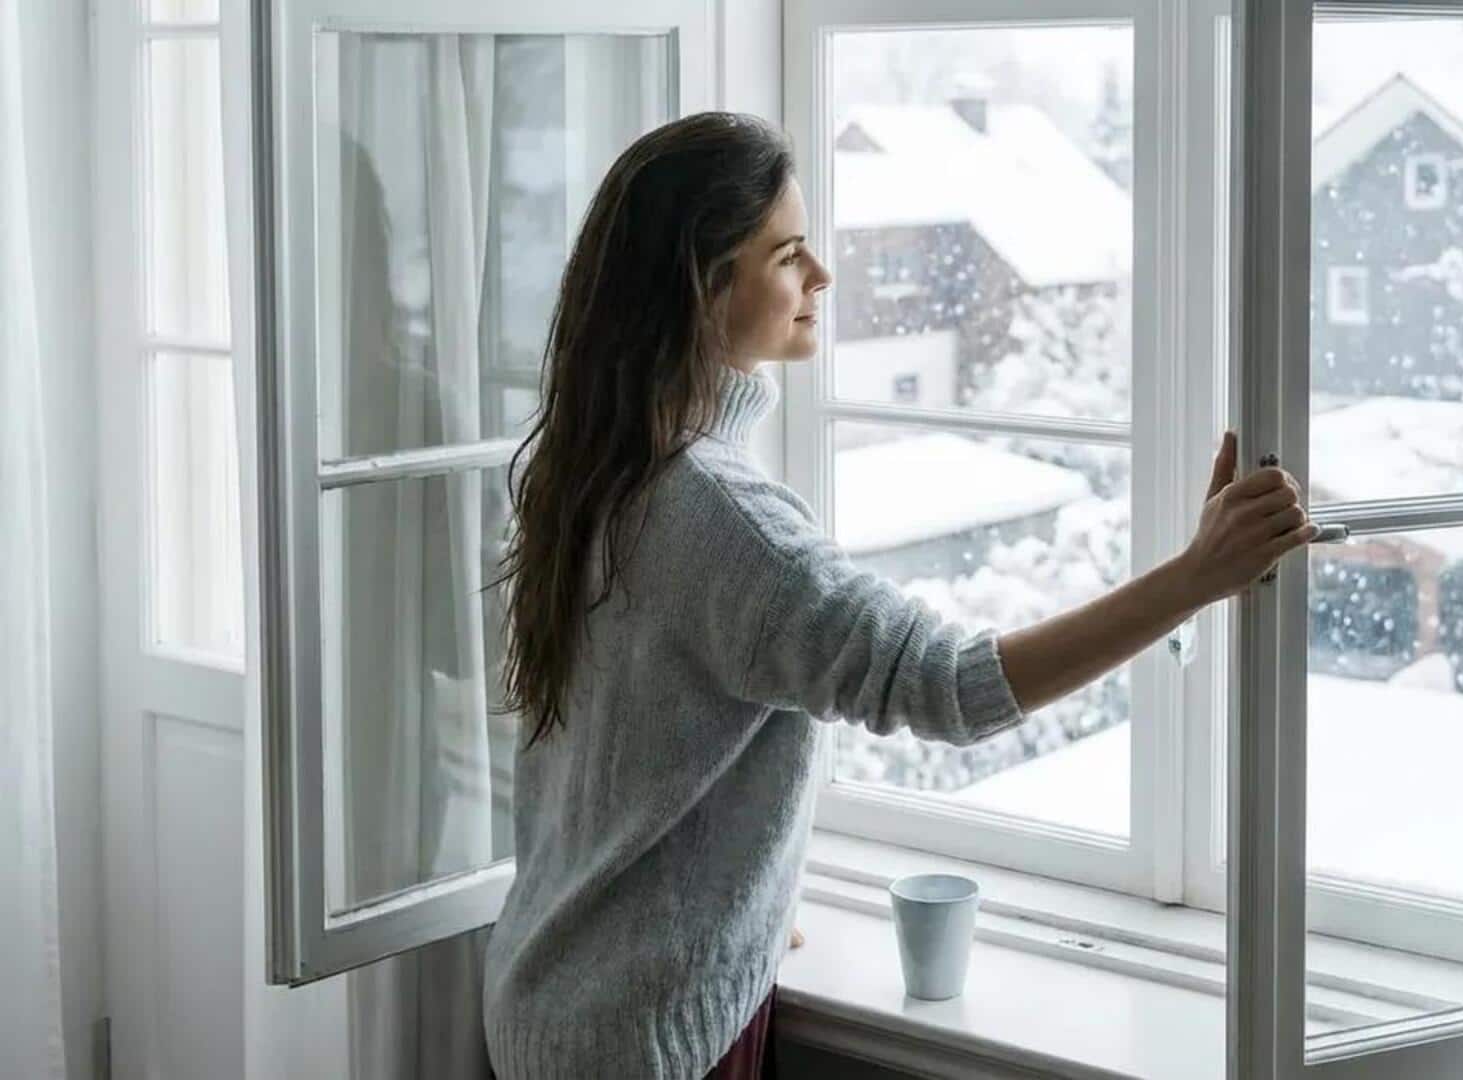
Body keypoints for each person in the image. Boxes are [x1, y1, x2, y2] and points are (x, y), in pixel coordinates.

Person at [480, 111, 1319, 1080]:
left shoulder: (585, 472)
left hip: (545, 1003)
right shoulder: (715, 520)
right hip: (641, 1044)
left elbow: (627, 761)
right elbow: (951, 687)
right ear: (702, 292)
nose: (821, 280)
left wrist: (732, 913)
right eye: (789, 256)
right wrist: (1194, 579)